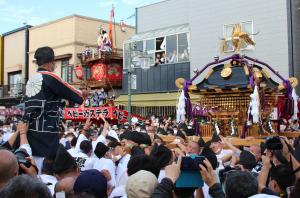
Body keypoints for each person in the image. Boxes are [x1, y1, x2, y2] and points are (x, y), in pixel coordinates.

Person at [22, 46, 90, 163]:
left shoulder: (31, 80)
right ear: (51, 63)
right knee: (47, 171)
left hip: (30, 134)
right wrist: (83, 94)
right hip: (47, 136)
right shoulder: (50, 77)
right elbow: (71, 91)